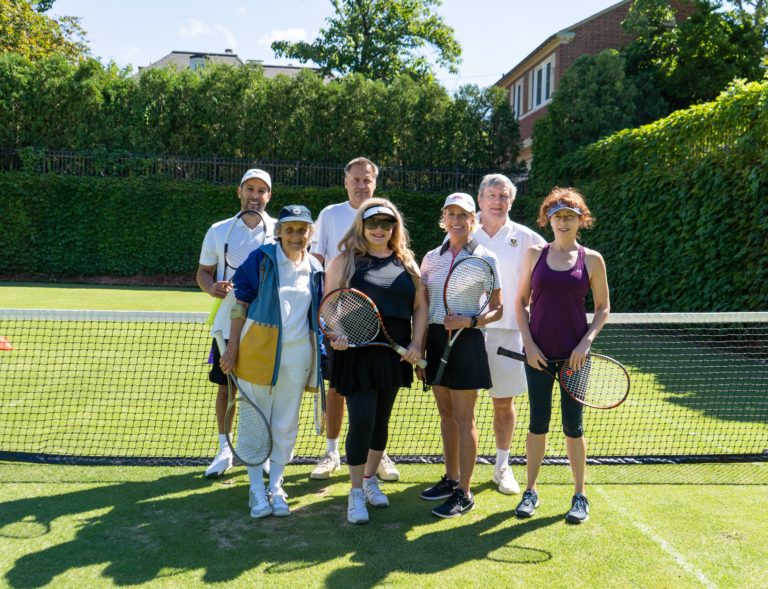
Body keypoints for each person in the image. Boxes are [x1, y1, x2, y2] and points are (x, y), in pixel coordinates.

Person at [324, 198, 428, 524]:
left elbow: (420, 309)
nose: (380, 229)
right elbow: (329, 306)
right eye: (373, 223)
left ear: (395, 227)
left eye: (387, 223)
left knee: (381, 421)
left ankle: (369, 480)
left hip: (393, 355)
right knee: (362, 419)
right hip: (355, 354)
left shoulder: (407, 262)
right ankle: (355, 492)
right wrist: (337, 335)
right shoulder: (345, 261)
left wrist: (416, 344)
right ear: (362, 226)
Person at [219, 204, 325, 518]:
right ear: (279, 232)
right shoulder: (260, 259)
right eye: (289, 229)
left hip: (298, 357)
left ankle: (276, 485)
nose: (296, 235)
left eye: (302, 229)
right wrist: (232, 347)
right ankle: (255, 491)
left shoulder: (317, 268)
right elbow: (240, 305)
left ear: (310, 234)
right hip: (256, 354)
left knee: (285, 424)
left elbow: (319, 315)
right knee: (254, 424)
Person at [513, 187, 610, 524]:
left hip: (575, 360)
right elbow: (519, 303)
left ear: (580, 219)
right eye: (558, 216)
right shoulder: (534, 255)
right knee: (537, 423)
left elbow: (602, 308)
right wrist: (529, 345)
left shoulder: (593, 260)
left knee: (574, 427)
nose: (563, 221)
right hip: (538, 356)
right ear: (548, 220)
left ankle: (579, 495)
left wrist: (585, 344)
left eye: (570, 216)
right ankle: (531, 491)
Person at [309, 157, 400, 483]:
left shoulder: (385, 213)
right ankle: (332, 451)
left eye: (367, 180)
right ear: (345, 182)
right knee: (337, 389)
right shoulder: (329, 215)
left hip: (381, 325)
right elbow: (317, 266)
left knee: (378, 398)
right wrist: (328, 322)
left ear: (374, 182)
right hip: (340, 319)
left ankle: (379, 454)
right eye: (356, 180)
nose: (362, 185)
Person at [418, 192, 503, 518]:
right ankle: (451, 478)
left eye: (463, 215)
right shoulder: (430, 258)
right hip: (437, 340)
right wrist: (421, 346)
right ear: (443, 219)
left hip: (467, 342)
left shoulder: (487, 258)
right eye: (450, 214)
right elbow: (423, 306)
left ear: (474, 220)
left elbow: (498, 309)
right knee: (445, 413)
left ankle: (464, 493)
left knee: (465, 418)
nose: (456, 221)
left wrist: (469, 321)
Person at [197, 169, 276, 478]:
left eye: (261, 191)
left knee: (264, 391)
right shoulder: (218, 230)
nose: (255, 196)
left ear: (269, 196)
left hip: (266, 325)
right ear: (239, 192)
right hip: (225, 325)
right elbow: (204, 272)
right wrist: (210, 287)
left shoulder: (280, 230)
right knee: (225, 386)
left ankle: (261, 451)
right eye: (250, 189)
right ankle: (224, 449)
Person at [472, 174, 546, 495]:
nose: (498, 202)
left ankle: (502, 466)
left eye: (504, 196)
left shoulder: (530, 239)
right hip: (467, 333)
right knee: (464, 405)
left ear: (511, 202)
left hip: (509, 333)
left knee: (503, 404)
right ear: (480, 200)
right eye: (492, 195)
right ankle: (461, 470)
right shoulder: (463, 232)